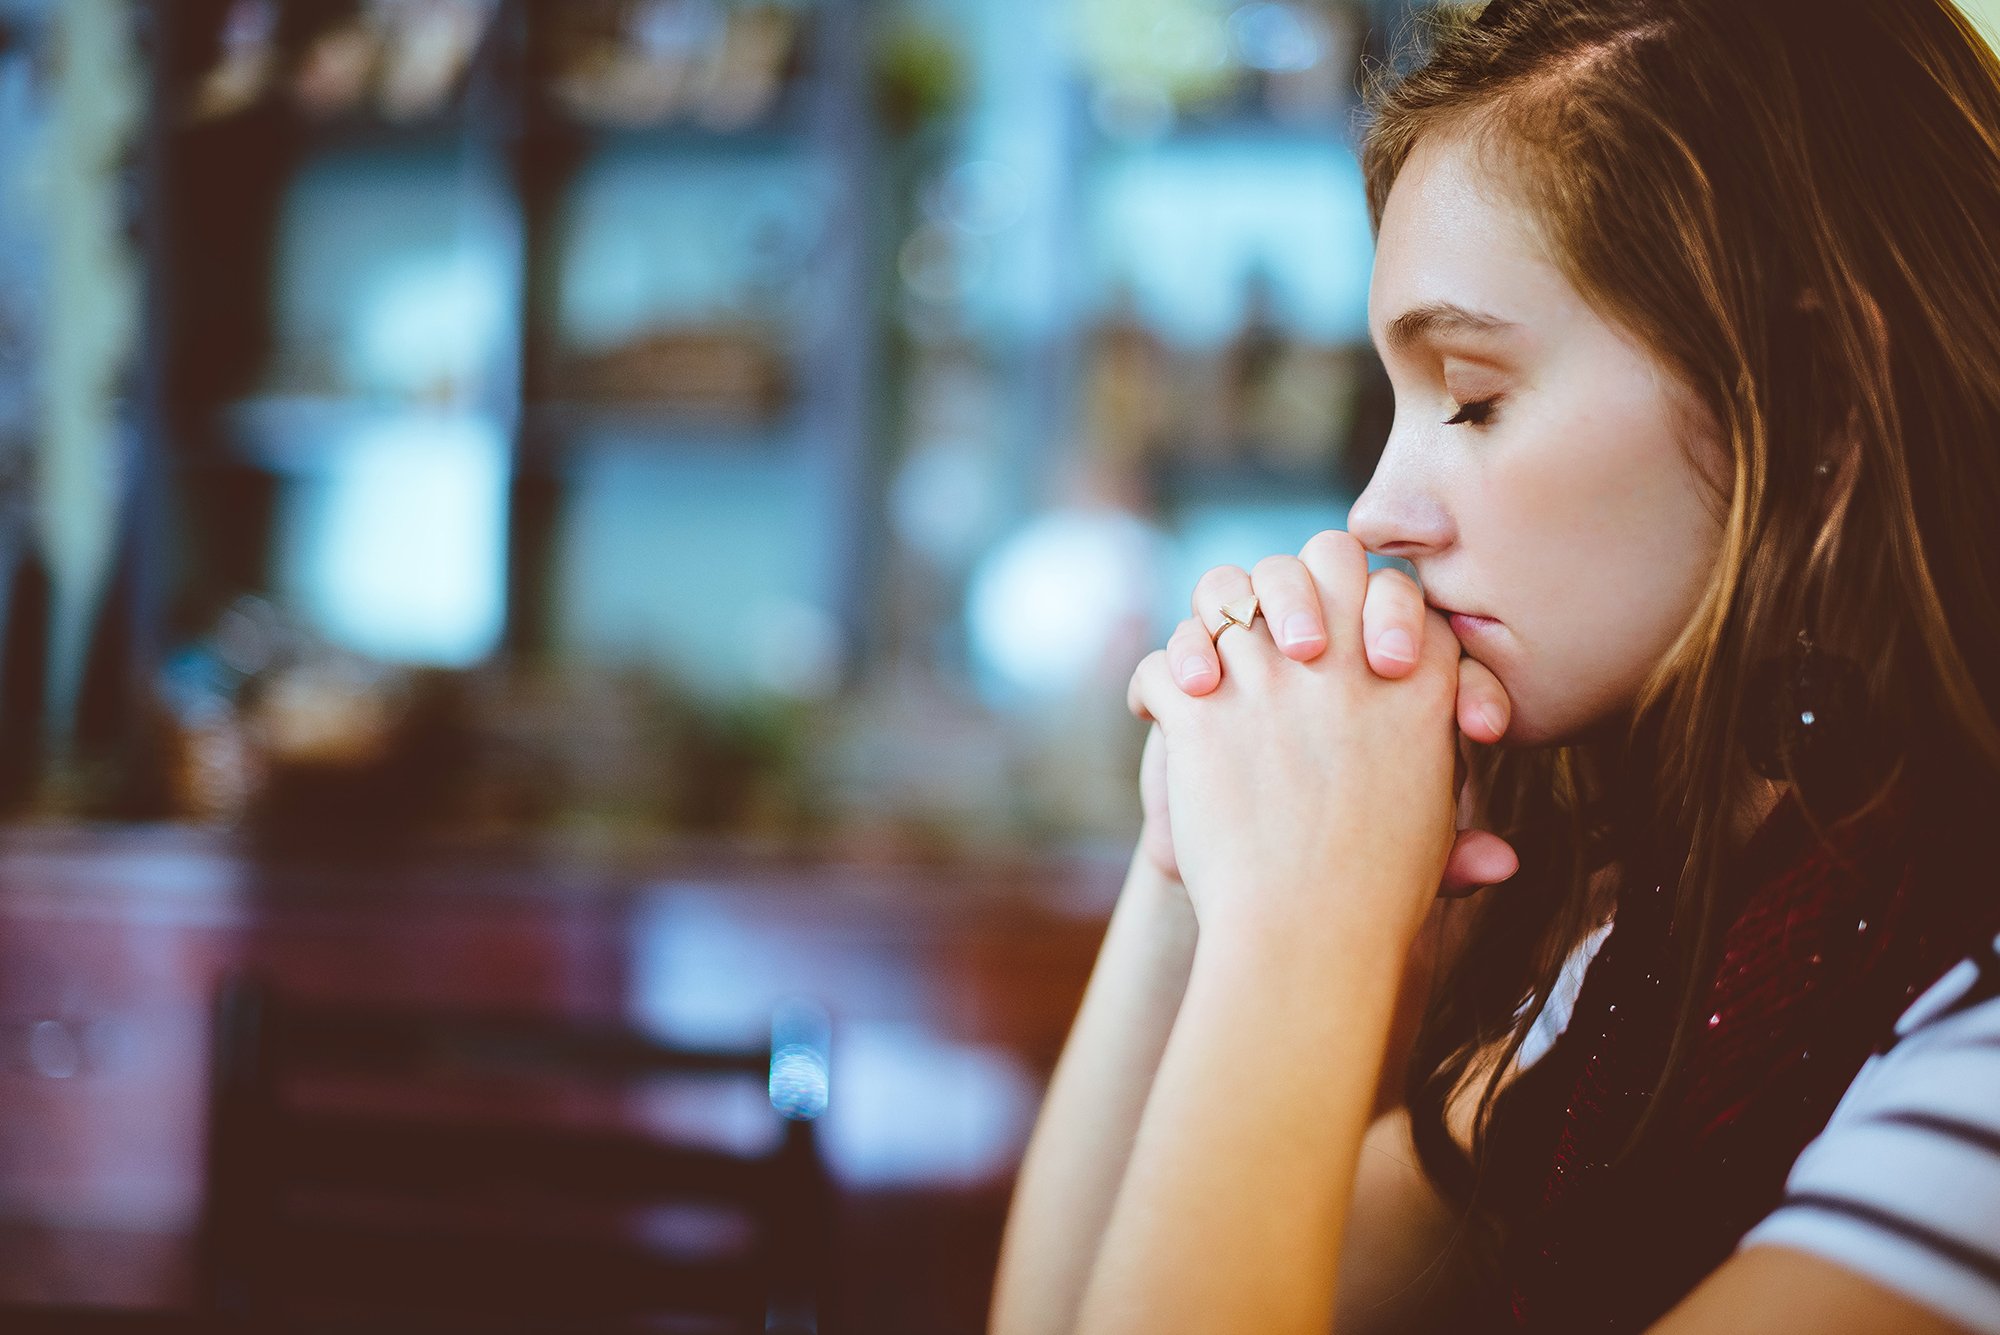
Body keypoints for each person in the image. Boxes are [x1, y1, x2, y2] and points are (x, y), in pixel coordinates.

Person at [988, 1, 2000, 1331]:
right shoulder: (1667, 955)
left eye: (1470, 395)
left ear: (1810, 398)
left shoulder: (1967, 1048)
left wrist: (1308, 925)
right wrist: (1200, 851)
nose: (1373, 514)